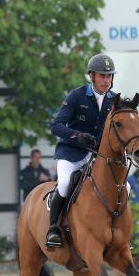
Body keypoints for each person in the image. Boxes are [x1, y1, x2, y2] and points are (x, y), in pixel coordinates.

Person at [46, 53, 117, 248]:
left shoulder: (114, 100)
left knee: (122, 187)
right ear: (92, 76)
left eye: (109, 76)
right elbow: (56, 126)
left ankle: (117, 232)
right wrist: (76, 136)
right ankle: (53, 229)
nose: (106, 80)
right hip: (71, 154)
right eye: (102, 75)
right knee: (65, 183)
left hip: (96, 157)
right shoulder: (77, 96)